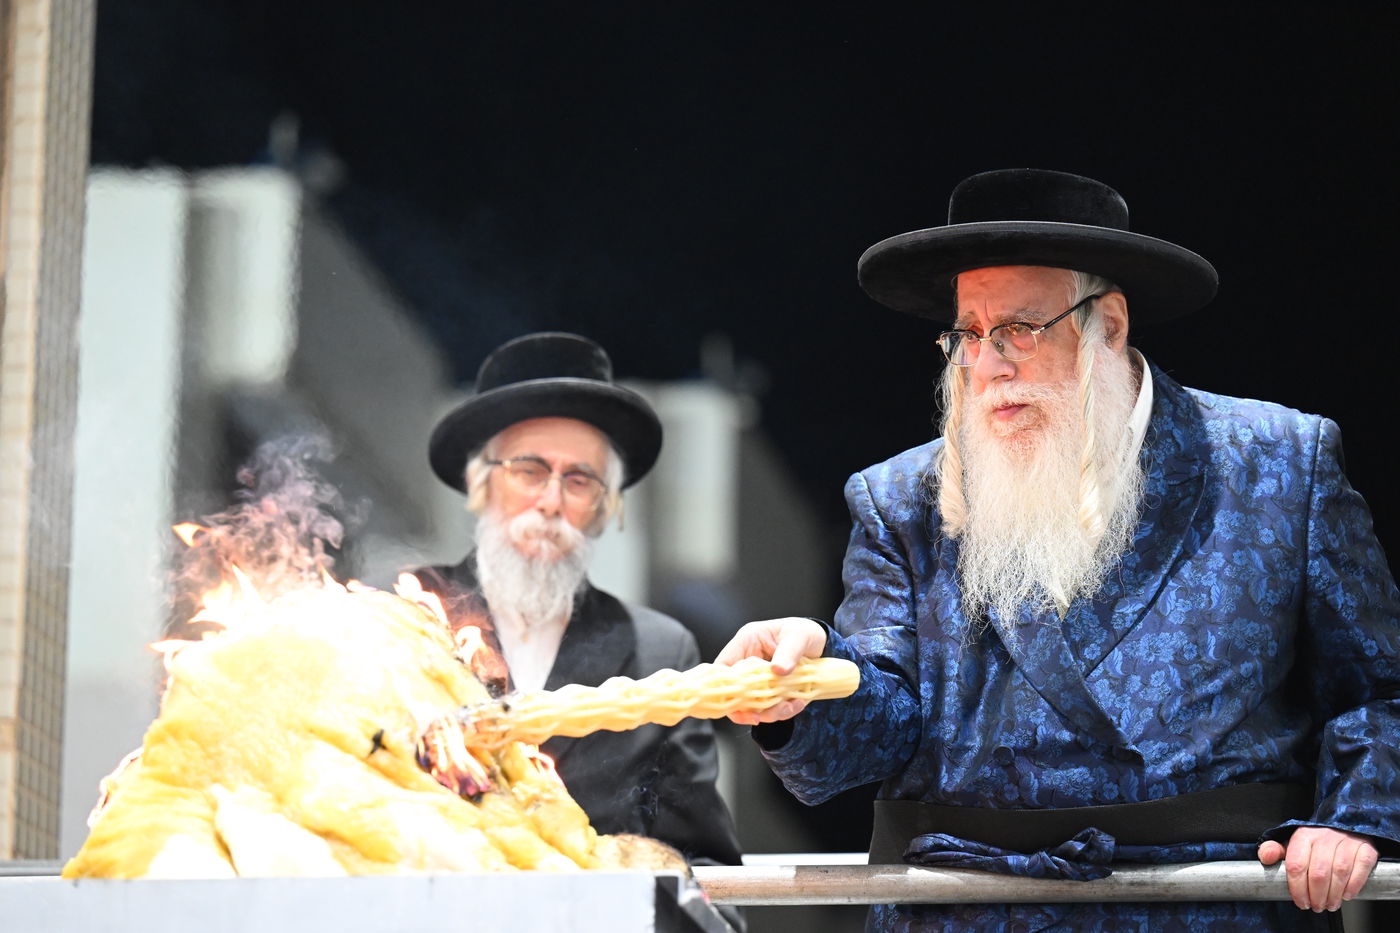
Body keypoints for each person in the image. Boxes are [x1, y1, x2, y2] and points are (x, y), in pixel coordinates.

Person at [717, 168, 1400, 931]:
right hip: (972, 907)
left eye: (1020, 328)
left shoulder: (1278, 463)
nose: (989, 366)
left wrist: (1352, 816)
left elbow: (1381, 689)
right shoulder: (902, 497)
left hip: (1212, 904)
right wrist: (806, 683)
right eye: (967, 334)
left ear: (1109, 323)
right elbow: (878, 727)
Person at [414, 332, 745, 886]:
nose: (550, 501)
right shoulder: (401, 615)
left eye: (579, 480)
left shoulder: (660, 653)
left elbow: (702, 868)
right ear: (479, 484)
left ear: (605, 508)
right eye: (528, 470)